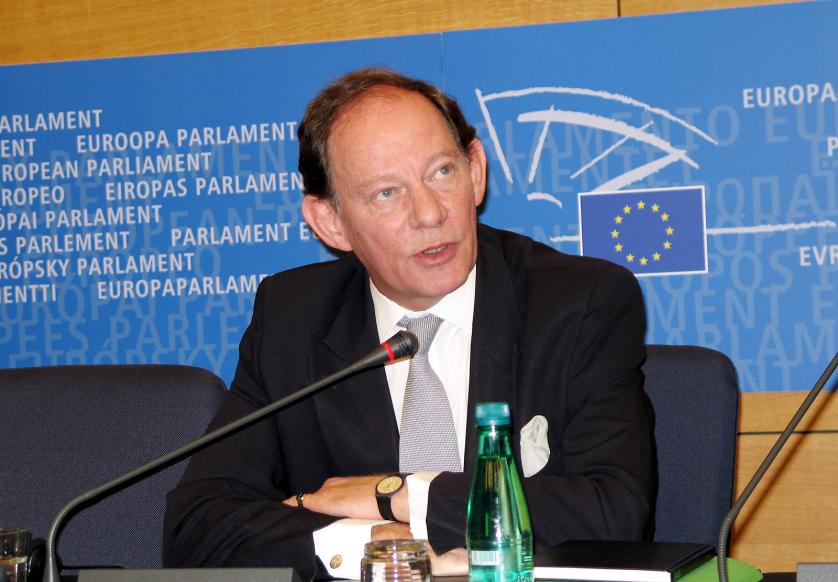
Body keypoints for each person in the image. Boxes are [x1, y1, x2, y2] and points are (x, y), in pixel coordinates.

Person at [163, 67, 654, 580]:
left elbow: (615, 515)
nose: (429, 213)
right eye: (386, 193)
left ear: (476, 170)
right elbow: (197, 528)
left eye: (442, 172)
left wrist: (401, 495)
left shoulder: (577, 303)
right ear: (331, 222)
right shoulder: (293, 318)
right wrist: (375, 544)